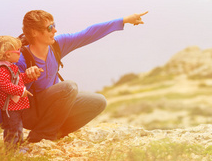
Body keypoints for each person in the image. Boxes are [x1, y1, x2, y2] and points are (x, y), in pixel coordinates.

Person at [16, 10, 148, 143]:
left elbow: (88, 33)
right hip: (31, 113)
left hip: (52, 109)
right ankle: (41, 135)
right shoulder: (22, 58)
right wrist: (26, 78)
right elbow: (11, 95)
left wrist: (124, 20)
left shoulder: (57, 46)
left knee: (98, 102)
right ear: (34, 32)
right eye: (50, 27)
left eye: (54, 25)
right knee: (69, 87)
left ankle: (56, 132)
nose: (55, 30)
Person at [0, 35, 43, 149]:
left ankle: (19, 144)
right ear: (8, 54)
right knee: (13, 127)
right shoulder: (2, 70)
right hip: (9, 107)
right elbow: (5, 86)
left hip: (15, 105)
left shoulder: (11, 67)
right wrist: (21, 91)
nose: (20, 53)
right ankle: (12, 149)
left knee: (18, 125)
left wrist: (31, 76)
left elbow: (20, 79)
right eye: (17, 51)